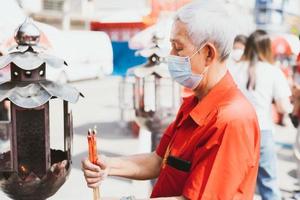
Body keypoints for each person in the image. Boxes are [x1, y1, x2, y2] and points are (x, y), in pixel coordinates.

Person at [82, 1, 260, 199]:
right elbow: (160, 161)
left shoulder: (231, 120)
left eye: (178, 48)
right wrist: (108, 166)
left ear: (208, 53)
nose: (171, 55)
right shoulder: (194, 103)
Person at [230, 30, 292, 200]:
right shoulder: (273, 71)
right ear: (267, 48)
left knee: (235, 183)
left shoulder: (235, 68)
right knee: (268, 182)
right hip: (262, 131)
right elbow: (283, 107)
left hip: (235, 132)